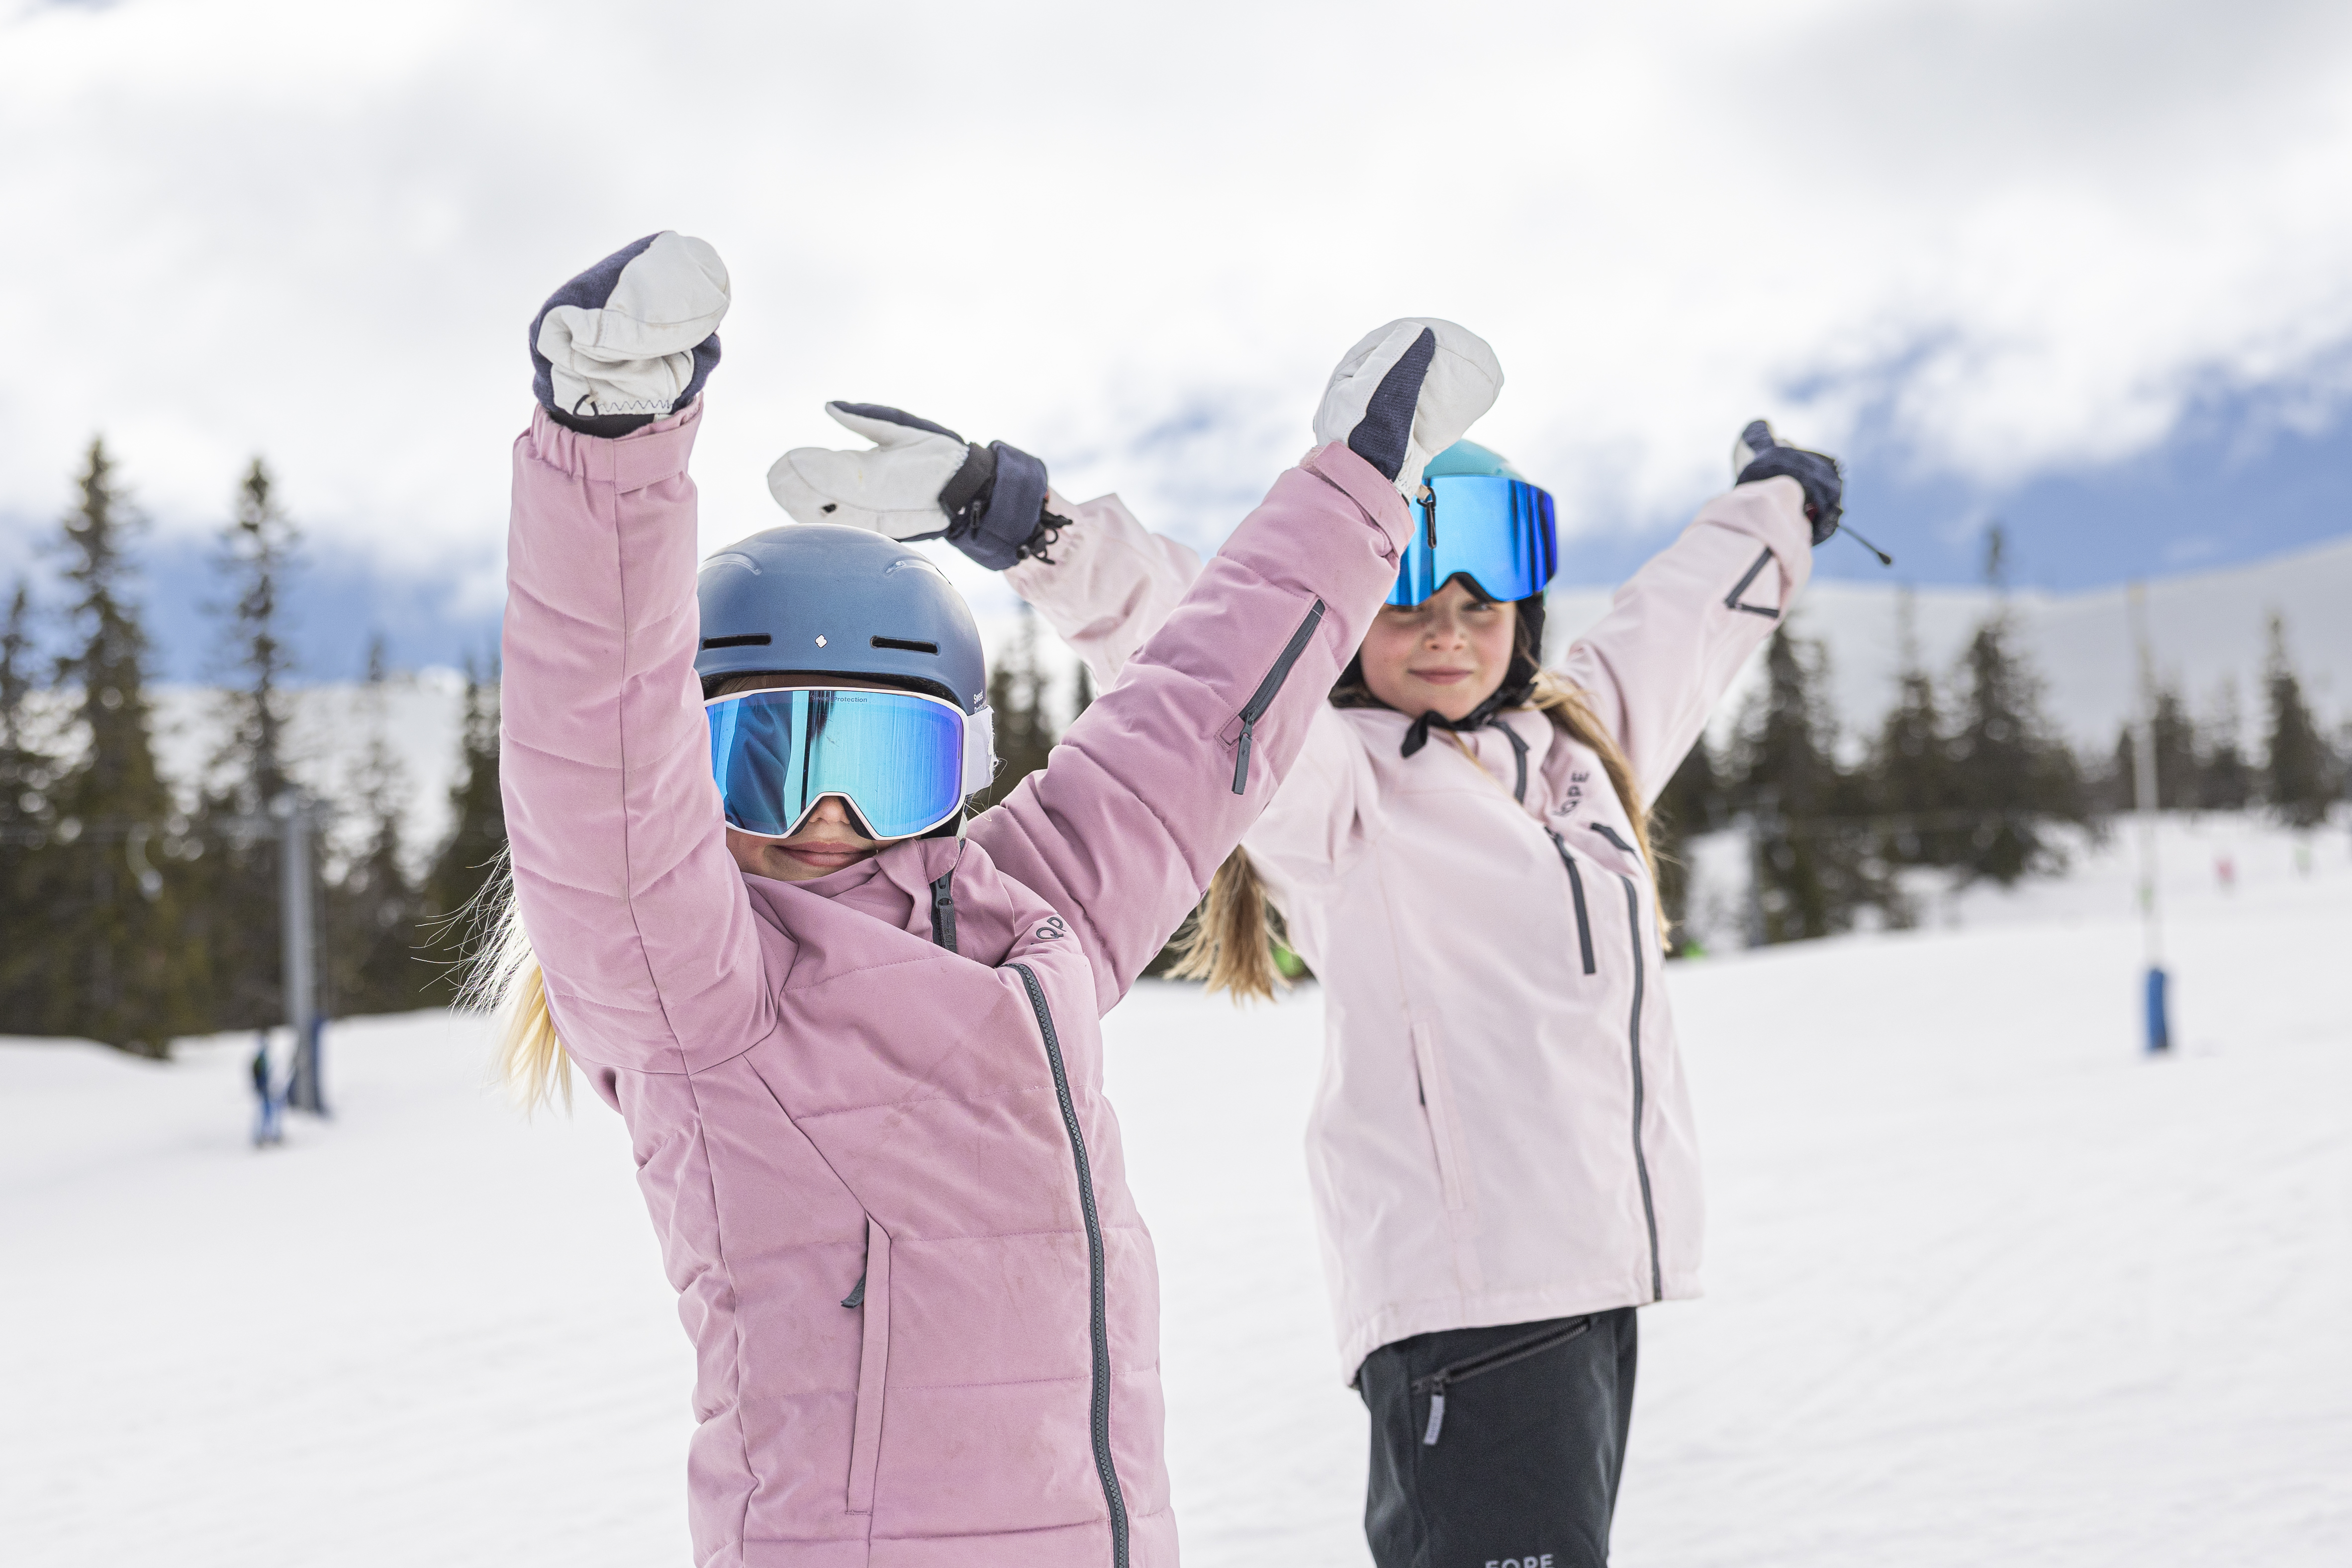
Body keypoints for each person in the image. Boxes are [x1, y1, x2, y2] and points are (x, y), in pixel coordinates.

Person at [480, 230, 1503, 1566]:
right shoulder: (695, 982)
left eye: (883, 761)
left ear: (960, 766)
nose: (828, 815)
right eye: (767, 757)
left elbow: (1203, 707)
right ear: (691, 769)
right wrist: (610, 448)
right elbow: (595, 753)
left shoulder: (1034, 908)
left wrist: (1359, 486)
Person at [785, 406, 1841, 1566]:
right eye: (1405, 604)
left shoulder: (1584, 742)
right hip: (1469, 1305)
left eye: (1479, 607)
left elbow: (1689, 615)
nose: (1447, 631)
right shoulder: (1338, 783)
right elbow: (1200, 640)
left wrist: (1780, 499)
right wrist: (1031, 522)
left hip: (1591, 1287)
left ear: (1523, 619)